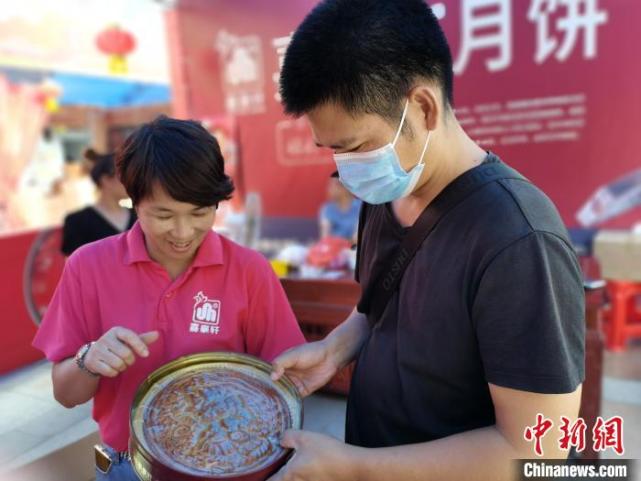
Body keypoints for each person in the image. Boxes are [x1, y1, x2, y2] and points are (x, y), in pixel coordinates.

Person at [269, 1, 585, 480]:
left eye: (353, 146)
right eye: (331, 149)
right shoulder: (385, 188)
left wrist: (357, 468)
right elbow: (377, 308)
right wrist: (333, 351)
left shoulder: (518, 238)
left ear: (422, 107)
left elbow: (538, 450)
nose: (345, 165)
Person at [32, 116, 306, 481]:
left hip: (227, 469)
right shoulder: (88, 266)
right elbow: (65, 394)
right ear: (133, 201)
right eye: (163, 215)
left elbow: (284, 386)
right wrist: (90, 359)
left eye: (199, 213)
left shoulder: (249, 270)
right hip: (127, 466)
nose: (182, 232)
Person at [61, 149, 136, 256]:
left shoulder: (138, 216)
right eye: (124, 176)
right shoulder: (78, 221)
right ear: (105, 179)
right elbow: (73, 267)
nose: (131, 181)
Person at [318, 171, 361, 241]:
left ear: (344, 188)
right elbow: (325, 236)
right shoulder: (327, 209)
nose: (329, 190)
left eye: (332, 186)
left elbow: (358, 236)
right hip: (333, 248)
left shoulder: (361, 207)